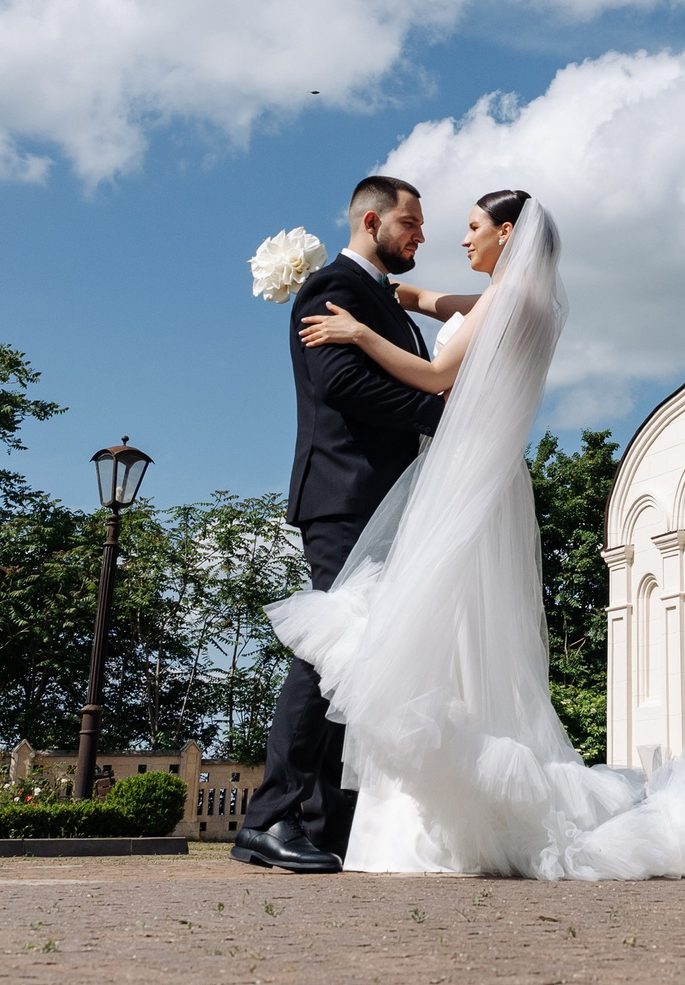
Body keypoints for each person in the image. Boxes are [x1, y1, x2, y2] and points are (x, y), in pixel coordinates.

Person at [264, 188, 685, 879]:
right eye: (421, 223)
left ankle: (370, 815)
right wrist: (384, 291)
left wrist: (361, 331)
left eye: (471, 227)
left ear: (506, 234)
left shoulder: (507, 300)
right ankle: (345, 815)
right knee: (436, 645)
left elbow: (435, 377)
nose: (456, 238)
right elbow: (436, 303)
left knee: (402, 640)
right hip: (476, 481)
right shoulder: (520, 301)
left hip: (461, 484)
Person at [232, 175, 445, 875]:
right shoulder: (335, 288)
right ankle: (270, 819)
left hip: (379, 498)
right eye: (410, 223)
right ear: (371, 219)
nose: (420, 235)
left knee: (358, 653)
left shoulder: (377, 298)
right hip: (344, 493)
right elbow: (340, 384)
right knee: (328, 648)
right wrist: (442, 418)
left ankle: (324, 823)